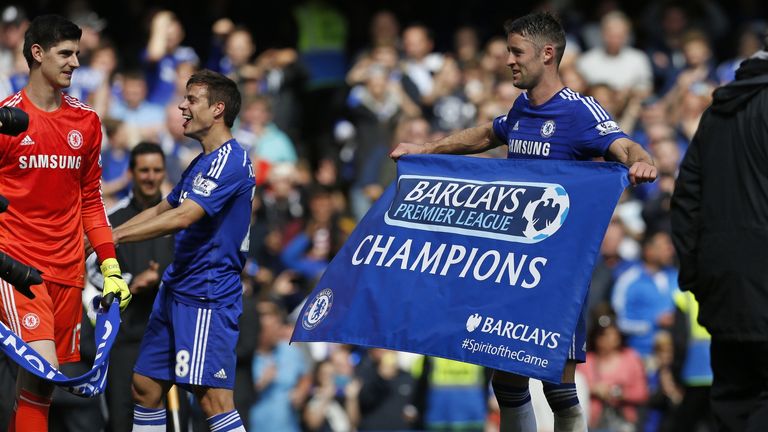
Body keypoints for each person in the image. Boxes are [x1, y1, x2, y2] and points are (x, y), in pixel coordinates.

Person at [390, 11, 657, 432]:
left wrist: (642, 162)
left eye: (517, 52)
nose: (508, 60)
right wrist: (426, 149)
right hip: (513, 269)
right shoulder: (522, 108)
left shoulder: (579, 111)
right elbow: (486, 135)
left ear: (547, 54)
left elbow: (623, 145)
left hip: (557, 275)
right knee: (507, 382)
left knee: (558, 386)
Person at [0, 15, 131, 432]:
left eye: (78, 53)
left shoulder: (87, 122)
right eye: (66, 53)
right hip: (18, 267)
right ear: (36, 54)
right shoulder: (4, 121)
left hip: (69, 270)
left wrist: (109, 266)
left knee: (37, 390)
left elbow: (91, 200)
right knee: (43, 367)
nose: (75, 62)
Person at [110, 69, 254, 432]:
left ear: (218, 109)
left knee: (213, 401)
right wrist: (107, 234)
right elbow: (163, 207)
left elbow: (183, 216)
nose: (182, 106)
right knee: (144, 387)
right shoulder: (202, 161)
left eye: (192, 100)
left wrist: (112, 240)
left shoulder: (230, 161)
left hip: (206, 296)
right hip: (176, 291)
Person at [670, 36, 768, 432]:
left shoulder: (715, 114)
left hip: (723, 287)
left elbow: (685, 200)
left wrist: (697, 276)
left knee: (733, 401)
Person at [86, 142, 177, 431]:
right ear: (131, 173)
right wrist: (130, 283)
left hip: (172, 337)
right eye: (144, 170)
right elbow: (91, 268)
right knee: (122, 418)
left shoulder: (180, 217)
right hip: (126, 337)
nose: (151, 176)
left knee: (175, 421)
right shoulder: (114, 220)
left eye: (157, 170)